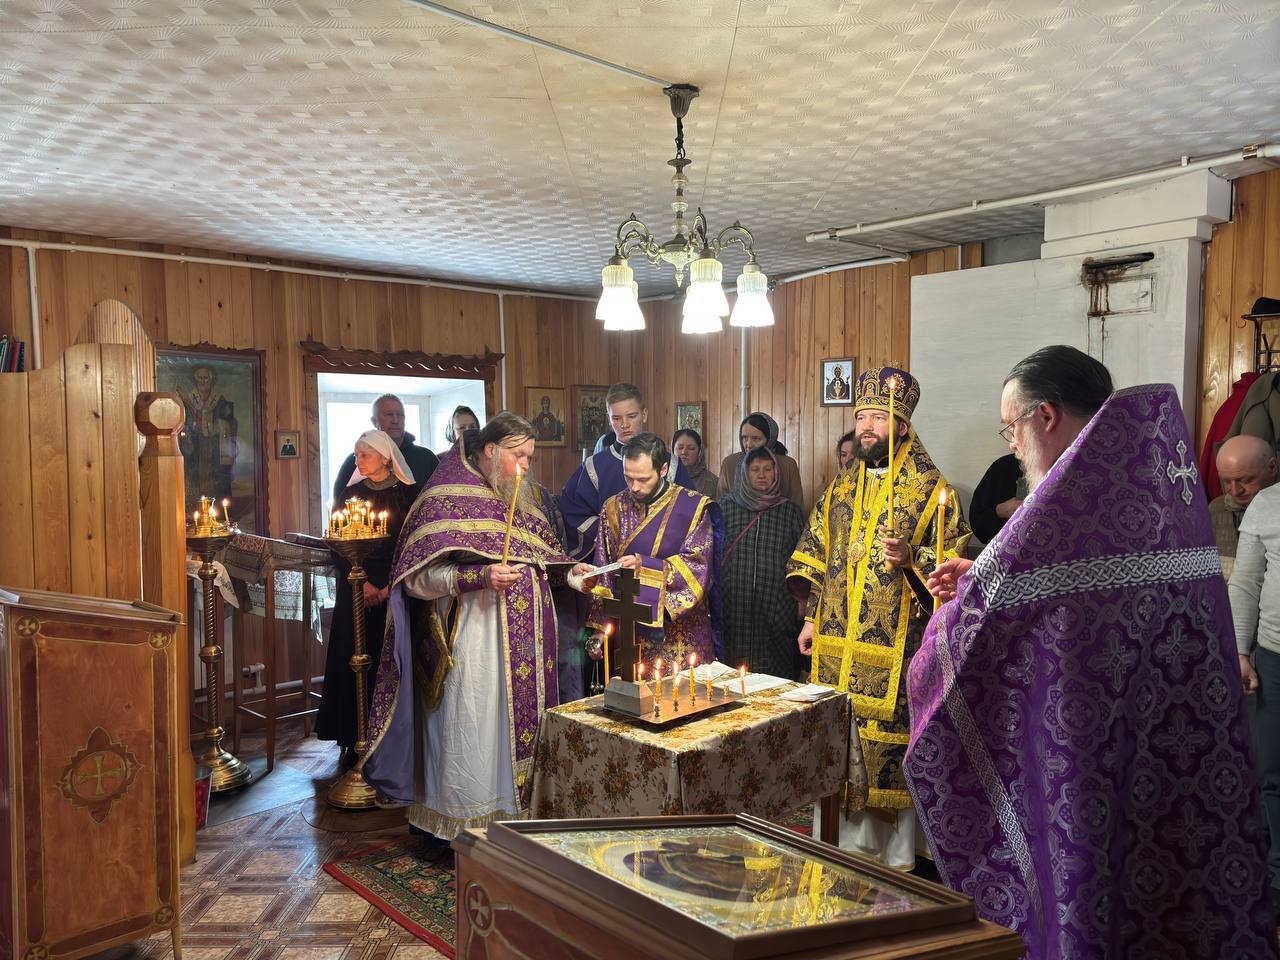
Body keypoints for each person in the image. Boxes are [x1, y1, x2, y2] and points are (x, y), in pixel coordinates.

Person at [912, 345, 1275, 958]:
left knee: (1093, 882)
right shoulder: (1156, 483)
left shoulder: (1060, 505)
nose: (1012, 444)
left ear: (1045, 416)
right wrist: (982, 576)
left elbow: (973, 638)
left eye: (1010, 427)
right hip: (1177, 739)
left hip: (1085, 747)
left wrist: (956, 610)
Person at [786, 366, 969, 870]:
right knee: (837, 739)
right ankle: (838, 845)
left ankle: (895, 857)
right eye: (862, 417)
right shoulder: (842, 488)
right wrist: (810, 620)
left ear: (903, 426)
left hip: (896, 651)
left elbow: (953, 567)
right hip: (835, 647)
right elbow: (818, 556)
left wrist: (912, 558)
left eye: (879, 418)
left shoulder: (931, 490)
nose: (867, 426)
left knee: (884, 745)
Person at [362, 412, 567, 842]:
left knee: (511, 736)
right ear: (491, 450)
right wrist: (479, 576)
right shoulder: (443, 497)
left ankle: (516, 821)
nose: (525, 466)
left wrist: (572, 573)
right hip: (472, 644)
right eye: (518, 455)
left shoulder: (523, 499)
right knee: (472, 731)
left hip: (526, 648)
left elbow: (544, 558)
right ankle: (461, 827)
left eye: (530, 457)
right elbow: (413, 580)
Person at [556, 385, 692, 698]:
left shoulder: (670, 464)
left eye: (631, 416)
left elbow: (687, 517)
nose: (624, 424)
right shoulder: (596, 465)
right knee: (622, 662)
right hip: (616, 576)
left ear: (644, 414)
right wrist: (611, 539)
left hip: (659, 578)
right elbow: (572, 510)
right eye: (616, 418)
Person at [315, 431, 419, 769]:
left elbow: (413, 544)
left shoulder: (408, 494)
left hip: (397, 590)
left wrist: (389, 587)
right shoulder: (351, 495)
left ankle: (390, 739)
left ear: (386, 457)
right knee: (353, 659)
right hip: (356, 590)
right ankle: (353, 736)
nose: (358, 460)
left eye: (365, 454)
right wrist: (362, 584)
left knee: (390, 659)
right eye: (356, 454)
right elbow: (337, 542)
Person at [573, 432, 719, 666]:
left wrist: (645, 566)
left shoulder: (692, 507)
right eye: (628, 477)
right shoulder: (613, 508)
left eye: (643, 479)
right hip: (631, 632)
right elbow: (603, 568)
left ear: (663, 470)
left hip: (681, 634)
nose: (635, 487)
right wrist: (600, 629)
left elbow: (698, 568)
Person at [1230, 469, 1280, 913]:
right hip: (1274, 656)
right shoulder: (1268, 503)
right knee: (1271, 770)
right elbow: (1245, 584)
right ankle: (1277, 878)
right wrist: (1241, 652)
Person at [719, 447, 806, 679]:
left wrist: (801, 602)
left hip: (777, 606)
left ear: (776, 473)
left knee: (776, 674)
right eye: (755, 469)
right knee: (730, 674)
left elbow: (802, 559)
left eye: (767, 469)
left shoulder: (789, 512)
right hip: (733, 603)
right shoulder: (726, 507)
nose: (761, 475)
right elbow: (712, 552)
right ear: (744, 473)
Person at [332, 394, 439, 502]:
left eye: (400, 415)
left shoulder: (426, 458)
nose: (395, 420)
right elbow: (341, 504)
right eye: (389, 414)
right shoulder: (355, 462)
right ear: (374, 421)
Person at [1212, 434, 1278, 577]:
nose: (1235, 491)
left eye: (1246, 480)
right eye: (1226, 481)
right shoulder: (1214, 510)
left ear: (1272, 467)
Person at [716, 412, 805, 509]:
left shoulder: (787, 465)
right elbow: (720, 505)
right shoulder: (730, 463)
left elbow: (796, 506)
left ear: (770, 439)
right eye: (744, 438)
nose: (748, 444)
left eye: (756, 439)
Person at [180, 364, 238, 502]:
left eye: (205, 378)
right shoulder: (187, 401)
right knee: (194, 474)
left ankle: (218, 505)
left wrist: (220, 426)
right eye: (200, 378)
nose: (203, 381)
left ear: (211, 380)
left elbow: (231, 422)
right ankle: (194, 504)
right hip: (195, 445)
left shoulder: (220, 401)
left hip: (215, 445)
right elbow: (182, 422)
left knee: (218, 475)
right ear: (195, 379)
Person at [966, 452, 1027, 543]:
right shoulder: (1003, 467)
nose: (1012, 446)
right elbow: (978, 524)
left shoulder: (1051, 473)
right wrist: (999, 511)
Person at [672, 428, 719, 500]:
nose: (684, 452)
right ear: (672, 450)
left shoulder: (713, 482)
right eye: (680, 448)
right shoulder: (662, 479)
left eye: (691, 448)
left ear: (699, 452)